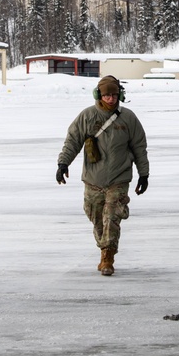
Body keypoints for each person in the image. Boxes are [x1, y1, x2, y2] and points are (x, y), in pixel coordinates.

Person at [57, 75, 149, 276]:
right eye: (107, 95)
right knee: (97, 217)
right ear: (98, 95)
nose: (111, 99)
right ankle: (104, 246)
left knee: (112, 216)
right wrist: (63, 163)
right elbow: (73, 141)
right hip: (93, 179)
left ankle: (108, 256)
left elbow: (140, 147)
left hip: (119, 178)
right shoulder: (87, 116)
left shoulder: (129, 119)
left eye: (114, 95)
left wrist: (144, 174)